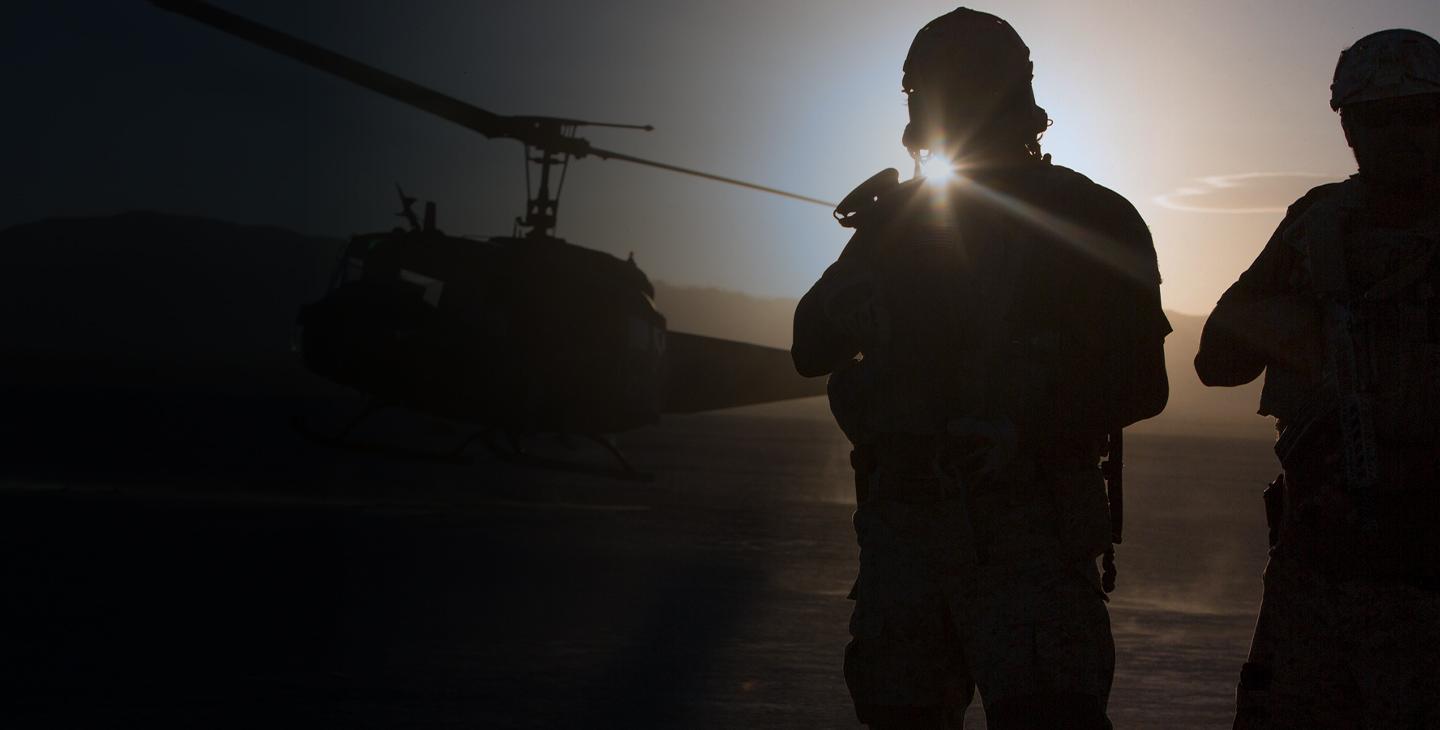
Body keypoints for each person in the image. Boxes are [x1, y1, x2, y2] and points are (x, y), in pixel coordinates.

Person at [792, 8, 1169, 728]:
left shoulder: (1087, 216)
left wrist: (1019, 431)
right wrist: (865, 276)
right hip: (907, 538)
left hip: (1029, 537)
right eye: (934, 93)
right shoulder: (895, 224)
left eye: (956, 90)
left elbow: (1141, 382)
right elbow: (811, 349)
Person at [1195, 28, 1440, 730]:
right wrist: (1310, 323)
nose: (1401, 135)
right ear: (1349, 127)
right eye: (1378, 117)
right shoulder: (1317, 227)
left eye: (1419, 114)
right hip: (1319, 572)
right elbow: (1217, 360)